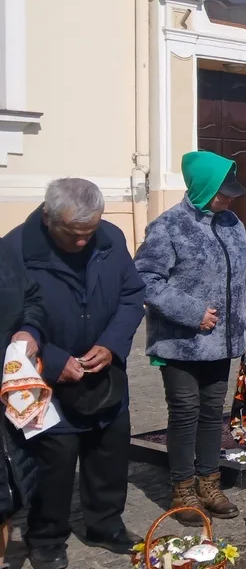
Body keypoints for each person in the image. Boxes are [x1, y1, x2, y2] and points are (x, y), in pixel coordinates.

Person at [7, 177, 146, 565]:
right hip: (45, 377)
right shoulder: (14, 250)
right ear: (50, 219)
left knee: (109, 448)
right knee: (53, 460)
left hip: (103, 370)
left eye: (90, 231)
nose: (83, 242)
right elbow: (9, 321)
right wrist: (52, 360)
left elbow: (132, 295)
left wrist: (113, 343)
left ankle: (105, 524)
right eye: (74, 234)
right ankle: (46, 538)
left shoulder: (111, 237)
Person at [136, 151, 246, 527]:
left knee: (211, 414)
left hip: (222, 343)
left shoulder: (233, 223)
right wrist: (192, 312)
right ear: (203, 187)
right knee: (185, 414)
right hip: (181, 343)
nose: (230, 199)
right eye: (223, 192)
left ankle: (209, 482)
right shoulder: (168, 226)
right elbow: (145, 280)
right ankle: (183, 489)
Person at [0, 237, 42, 566]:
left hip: (8, 395)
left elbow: (33, 299)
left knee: (5, 497)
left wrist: (30, 329)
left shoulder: (5, 253)